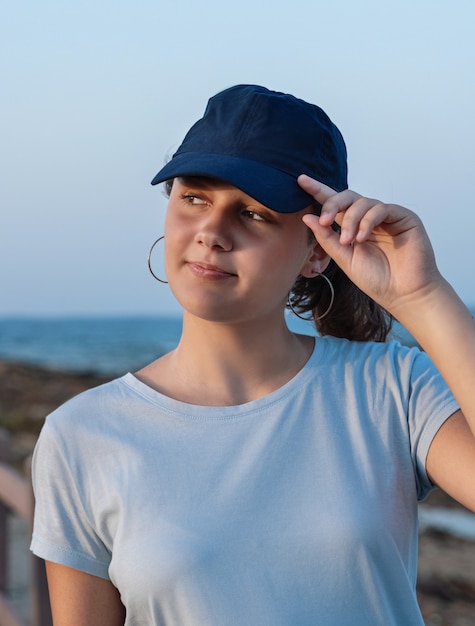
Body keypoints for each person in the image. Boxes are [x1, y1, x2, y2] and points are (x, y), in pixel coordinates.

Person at [30, 84, 475, 625]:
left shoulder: (392, 388)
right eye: (193, 198)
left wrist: (421, 298)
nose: (212, 233)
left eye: (253, 213)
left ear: (317, 251)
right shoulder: (82, 435)